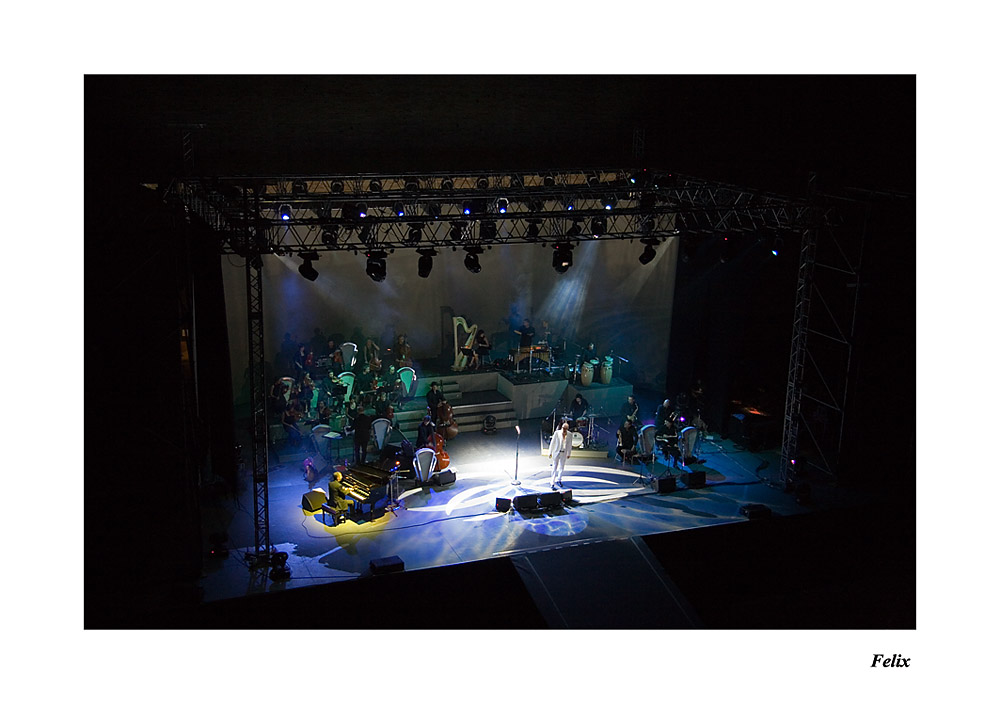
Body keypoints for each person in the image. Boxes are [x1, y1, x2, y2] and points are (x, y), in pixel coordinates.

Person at [547, 421, 573, 490]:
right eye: (563, 428)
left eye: (565, 428)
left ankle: (559, 479)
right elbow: (552, 443)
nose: (564, 429)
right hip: (556, 452)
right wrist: (550, 452)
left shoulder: (570, 434)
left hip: (563, 453)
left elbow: (569, 445)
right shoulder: (557, 433)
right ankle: (552, 482)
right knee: (554, 467)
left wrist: (569, 453)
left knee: (561, 467)